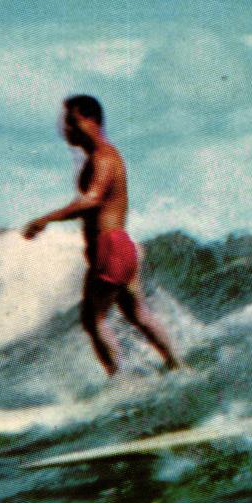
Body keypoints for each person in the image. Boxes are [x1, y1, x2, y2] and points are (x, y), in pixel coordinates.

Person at [23, 95, 181, 378]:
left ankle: (119, 378)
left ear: (93, 121)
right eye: (66, 123)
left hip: (109, 246)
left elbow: (92, 200)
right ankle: (176, 365)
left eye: (73, 121)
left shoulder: (104, 157)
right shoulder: (99, 156)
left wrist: (45, 219)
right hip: (120, 245)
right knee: (137, 314)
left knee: (92, 319)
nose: (67, 129)